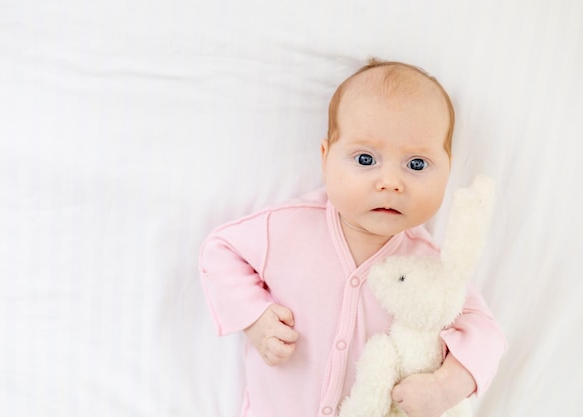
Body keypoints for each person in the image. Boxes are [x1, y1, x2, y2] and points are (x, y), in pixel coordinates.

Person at [199, 58, 507, 417]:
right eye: (365, 159)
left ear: (448, 170)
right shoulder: (287, 228)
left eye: (417, 164)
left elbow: (487, 334)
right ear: (326, 158)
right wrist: (254, 317)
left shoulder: (432, 266)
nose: (391, 182)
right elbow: (219, 251)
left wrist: (445, 387)